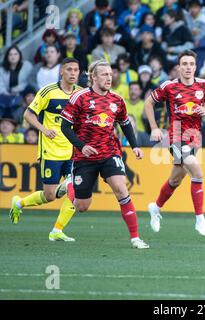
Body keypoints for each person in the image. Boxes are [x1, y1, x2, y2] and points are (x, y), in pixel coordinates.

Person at [59, 60, 149, 249]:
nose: (109, 78)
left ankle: (135, 238)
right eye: (104, 74)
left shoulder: (117, 100)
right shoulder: (79, 97)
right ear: (93, 77)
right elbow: (65, 127)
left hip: (110, 152)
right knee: (82, 206)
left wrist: (135, 146)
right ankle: (70, 185)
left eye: (110, 74)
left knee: (121, 189)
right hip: (84, 157)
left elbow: (125, 124)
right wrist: (81, 146)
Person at [144, 50, 205, 237]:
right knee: (197, 172)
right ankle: (200, 220)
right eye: (184, 64)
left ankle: (156, 207)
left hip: (195, 138)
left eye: (191, 64)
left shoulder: (203, 85)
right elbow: (148, 103)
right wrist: (154, 128)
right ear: (179, 67)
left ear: (195, 66)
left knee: (175, 180)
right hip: (176, 136)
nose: (188, 67)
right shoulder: (169, 86)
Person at [9, 58, 81, 241]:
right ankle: (19, 203)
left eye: (76, 70)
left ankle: (57, 230)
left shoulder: (81, 94)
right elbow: (28, 114)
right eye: (69, 70)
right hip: (50, 150)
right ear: (61, 72)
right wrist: (43, 129)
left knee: (76, 190)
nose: (73, 73)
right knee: (50, 195)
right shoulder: (48, 92)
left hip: (73, 151)